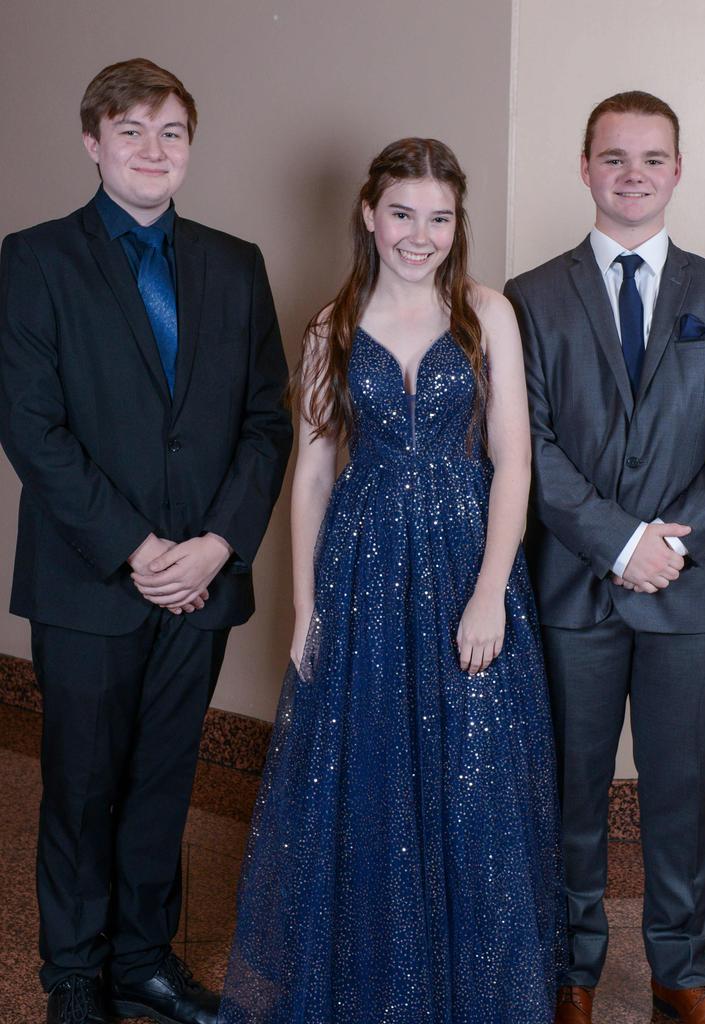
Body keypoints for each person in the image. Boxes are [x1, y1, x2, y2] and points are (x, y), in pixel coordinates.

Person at [219, 137, 566, 1023]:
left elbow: (514, 463)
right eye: (403, 214)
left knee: (473, 776)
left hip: (462, 563)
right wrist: (305, 604)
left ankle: (473, 993)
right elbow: (312, 472)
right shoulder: (331, 326)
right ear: (370, 215)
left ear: (458, 224)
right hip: (363, 564)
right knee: (366, 773)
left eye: (439, 218)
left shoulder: (487, 313)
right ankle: (375, 989)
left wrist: (491, 590)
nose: (421, 235)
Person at [0, 58, 292, 1024]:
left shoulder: (233, 262)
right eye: (132, 131)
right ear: (93, 143)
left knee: (168, 777)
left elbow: (266, 422)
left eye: (171, 133)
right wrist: (136, 548)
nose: (153, 150)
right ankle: (74, 974)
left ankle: (144, 960)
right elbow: (32, 428)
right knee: (82, 786)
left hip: (204, 582)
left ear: (190, 147)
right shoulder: (35, 260)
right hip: (90, 578)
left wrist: (216, 545)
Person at [505, 91, 705, 1024]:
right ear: (584, 168)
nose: (633, 176)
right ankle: (570, 972)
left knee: (681, 794)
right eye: (615, 158)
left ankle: (681, 974)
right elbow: (525, 445)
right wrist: (617, 541)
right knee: (567, 792)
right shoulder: (529, 299)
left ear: (678, 171)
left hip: (693, 599)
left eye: (652, 159)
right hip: (572, 591)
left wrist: (665, 544)